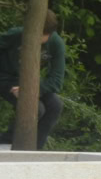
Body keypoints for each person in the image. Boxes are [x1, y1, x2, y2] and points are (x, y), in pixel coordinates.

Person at [0, 9, 65, 149]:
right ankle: (5, 142)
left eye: (43, 36)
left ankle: (35, 149)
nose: (38, 39)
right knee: (36, 108)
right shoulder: (16, 35)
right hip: (5, 78)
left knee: (55, 106)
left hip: (29, 82)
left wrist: (32, 90)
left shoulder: (56, 43)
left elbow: (56, 79)